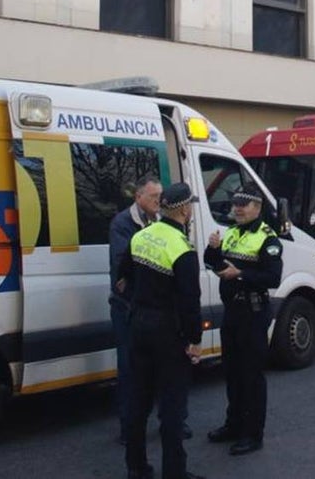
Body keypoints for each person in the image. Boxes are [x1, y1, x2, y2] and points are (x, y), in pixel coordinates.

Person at [118, 183, 205, 479]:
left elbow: (123, 278)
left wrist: (138, 305)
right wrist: (194, 339)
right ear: (183, 209)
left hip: (139, 325)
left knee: (138, 401)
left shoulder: (140, 236)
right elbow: (189, 301)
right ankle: (175, 473)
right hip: (168, 333)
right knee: (171, 408)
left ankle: (137, 467)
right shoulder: (182, 248)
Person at [204, 184, 283, 456]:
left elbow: (273, 278)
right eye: (235, 202)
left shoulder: (268, 239)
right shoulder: (232, 233)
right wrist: (213, 250)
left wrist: (240, 275)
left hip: (253, 313)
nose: (237, 207)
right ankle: (233, 424)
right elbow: (214, 263)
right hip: (233, 314)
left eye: (244, 203)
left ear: (257, 208)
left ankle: (252, 434)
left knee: (251, 376)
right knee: (232, 373)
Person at [110, 176, 175, 446]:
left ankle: (169, 425)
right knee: (130, 370)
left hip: (152, 308)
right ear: (138, 197)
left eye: (160, 196)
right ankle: (129, 430)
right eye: (152, 197)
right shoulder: (122, 223)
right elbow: (124, 269)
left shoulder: (159, 221)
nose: (158, 201)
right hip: (127, 308)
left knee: (162, 369)